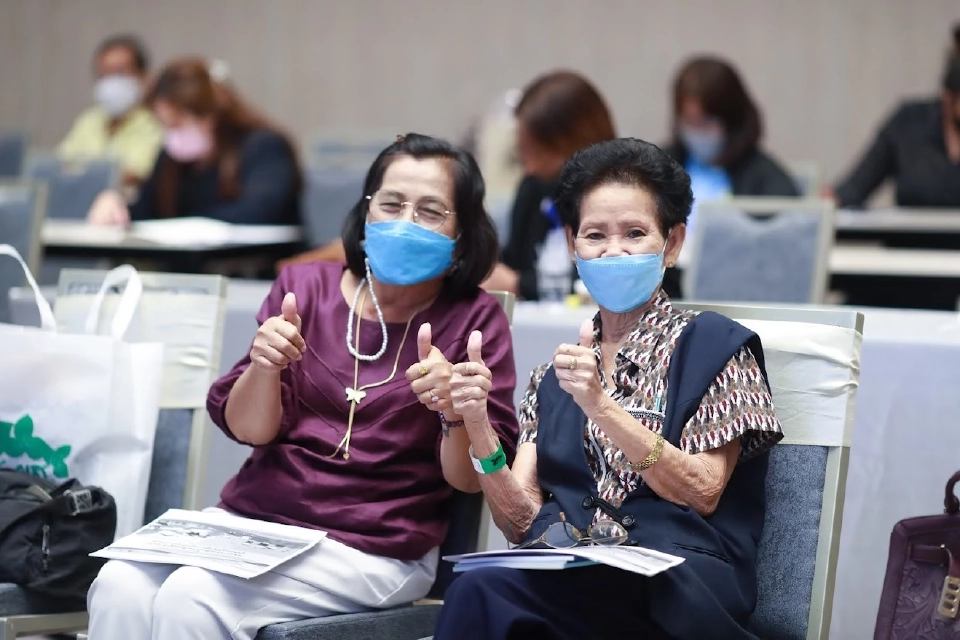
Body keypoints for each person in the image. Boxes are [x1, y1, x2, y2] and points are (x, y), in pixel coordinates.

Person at [85, 134, 520, 639]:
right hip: (253, 523)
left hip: (373, 545)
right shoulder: (302, 287)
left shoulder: (473, 320)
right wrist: (264, 366)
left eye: (430, 211)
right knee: (118, 583)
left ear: (462, 234)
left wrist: (455, 410)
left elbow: (468, 482)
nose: (405, 223)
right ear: (366, 212)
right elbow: (250, 430)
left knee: (192, 598)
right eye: (392, 204)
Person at [433, 138, 784, 640]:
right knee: (478, 588)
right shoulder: (555, 377)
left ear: (673, 243)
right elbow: (520, 523)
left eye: (635, 233)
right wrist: (477, 426)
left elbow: (703, 490)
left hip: (677, 590)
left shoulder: (717, 346)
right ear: (573, 244)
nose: (613, 250)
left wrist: (601, 406)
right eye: (595, 235)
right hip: (577, 582)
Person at [86, 58, 301, 226]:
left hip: (250, 271)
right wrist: (117, 205)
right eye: (163, 125)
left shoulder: (265, 147)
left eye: (177, 124)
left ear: (209, 115)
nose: (170, 135)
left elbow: (260, 212)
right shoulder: (171, 158)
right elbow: (147, 211)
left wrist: (188, 223)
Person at [481, 70, 622, 300]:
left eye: (538, 152)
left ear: (571, 143)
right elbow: (513, 261)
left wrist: (520, 285)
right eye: (523, 153)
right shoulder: (533, 188)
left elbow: (612, 279)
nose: (530, 167)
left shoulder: (623, 196)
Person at [830, 24, 960, 208]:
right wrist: (828, 201)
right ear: (948, 95)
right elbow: (855, 188)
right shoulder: (909, 123)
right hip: (912, 237)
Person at [58, 34, 162, 186]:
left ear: (142, 76)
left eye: (120, 73)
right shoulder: (89, 120)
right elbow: (58, 166)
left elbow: (135, 174)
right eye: (104, 75)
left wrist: (81, 172)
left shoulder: (155, 124)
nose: (111, 82)